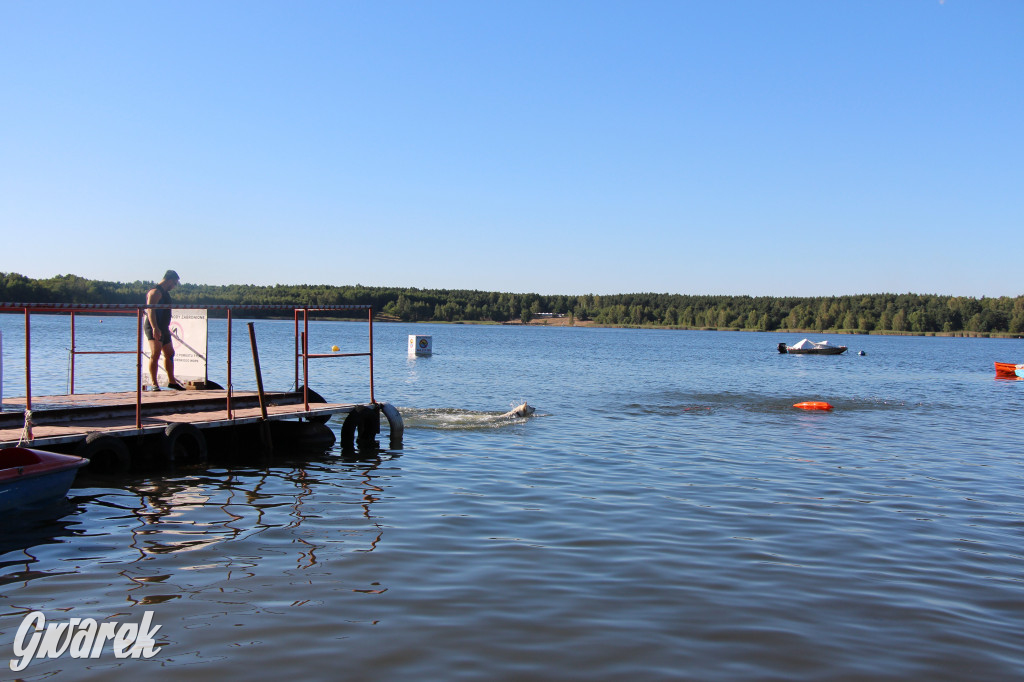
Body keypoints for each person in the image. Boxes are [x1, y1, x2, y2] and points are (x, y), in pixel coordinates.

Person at [145, 270, 183, 390]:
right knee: (155, 353)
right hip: (154, 326)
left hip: (164, 327)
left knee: (170, 353)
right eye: (175, 283)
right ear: (170, 280)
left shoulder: (166, 293)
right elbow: (150, 310)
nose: (174, 286)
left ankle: (172, 381)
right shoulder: (155, 292)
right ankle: (154, 383)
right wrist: (155, 328)